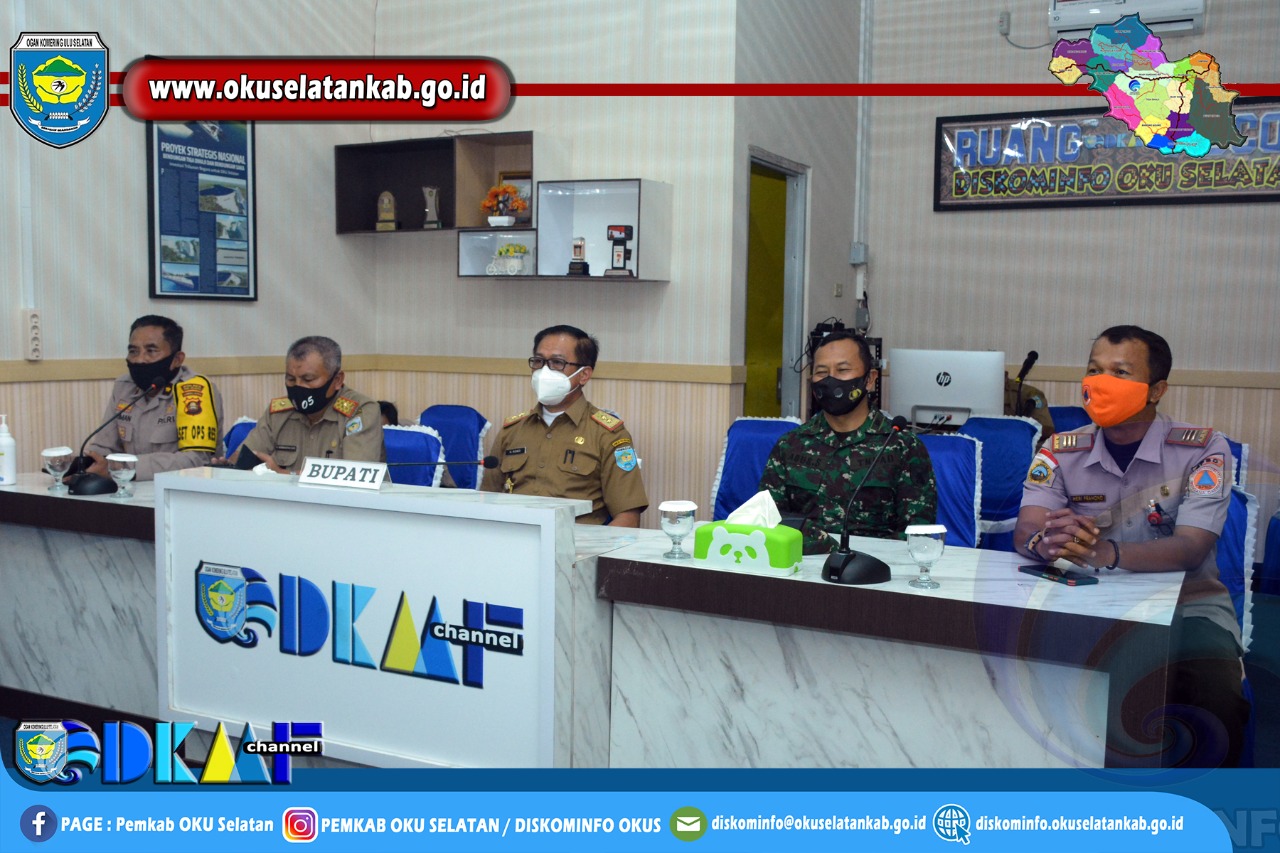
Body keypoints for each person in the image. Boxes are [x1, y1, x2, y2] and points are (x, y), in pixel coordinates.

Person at [1014, 325, 1249, 767]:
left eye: (1120, 373)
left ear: (1156, 390)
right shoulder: (1061, 449)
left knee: (1213, 698)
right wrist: (1045, 542)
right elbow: (1028, 524)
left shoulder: (1202, 449)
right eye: (1094, 370)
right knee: (1025, 682)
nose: (1101, 382)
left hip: (1187, 607)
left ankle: (1209, 805)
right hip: (1087, 602)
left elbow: (1191, 548)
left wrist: (1107, 553)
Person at [760, 330, 937, 554]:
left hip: (877, 567)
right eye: (821, 372)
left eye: (843, 370)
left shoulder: (902, 447)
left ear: (870, 379)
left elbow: (917, 534)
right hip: (803, 563)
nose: (830, 379)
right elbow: (769, 519)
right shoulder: (791, 444)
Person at [480, 325, 648, 526]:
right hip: (514, 538)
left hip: (578, 542)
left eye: (557, 363)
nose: (544, 371)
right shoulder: (512, 430)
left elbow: (628, 517)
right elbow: (487, 502)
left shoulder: (609, 435)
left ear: (584, 375)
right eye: (538, 361)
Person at [84, 315, 222, 480]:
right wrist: (86, 465)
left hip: (181, 488)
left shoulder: (194, 391)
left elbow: (197, 460)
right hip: (128, 487)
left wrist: (124, 468)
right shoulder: (124, 386)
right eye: (133, 351)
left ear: (177, 359)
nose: (140, 360)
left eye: (151, 351)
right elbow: (105, 447)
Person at [234, 335, 384, 473]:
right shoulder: (278, 413)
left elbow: (355, 476)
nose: (298, 387)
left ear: (337, 380)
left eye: (308, 379)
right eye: (291, 379)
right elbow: (244, 458)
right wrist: (229, 465)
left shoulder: (360, 411)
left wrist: (282, 475)